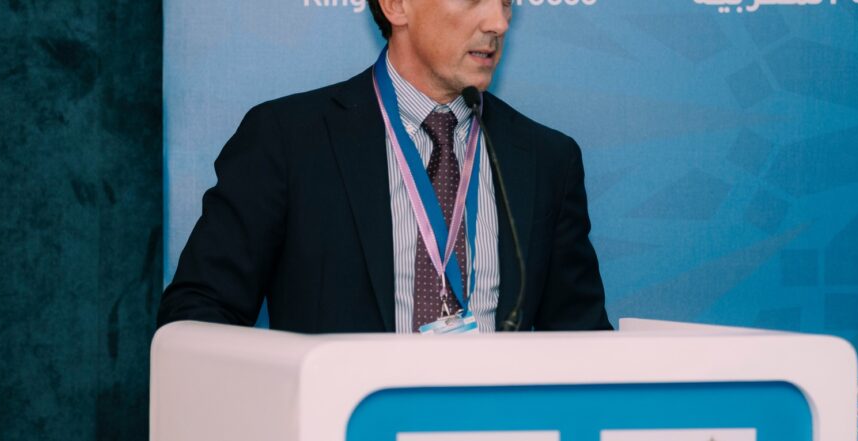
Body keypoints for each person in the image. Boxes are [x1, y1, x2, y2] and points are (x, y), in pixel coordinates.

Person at [157, 0, 612, 333]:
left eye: (506, 2)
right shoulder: (287, 141)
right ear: (396, 6)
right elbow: (199, 316)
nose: (498, 22)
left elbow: (583, 343)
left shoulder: (547, 159)